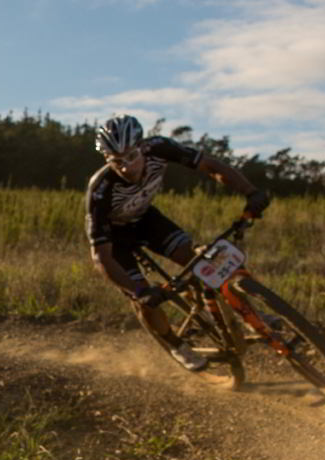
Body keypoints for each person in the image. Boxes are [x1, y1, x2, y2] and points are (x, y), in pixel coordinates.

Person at [85, 115, 269, 370]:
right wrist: (139, 292)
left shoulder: (159, 148)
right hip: (116, 240)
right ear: (107, 159)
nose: (126, 167)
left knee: (198, 257)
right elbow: (101, 258)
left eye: (131, 157)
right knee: (142, 298)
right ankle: (174, 344)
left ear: (143, 146)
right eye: (116, 161)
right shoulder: (100, 190)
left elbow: (211, 166)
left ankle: (247, 313)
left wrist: (251, 191)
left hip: (145, 219)